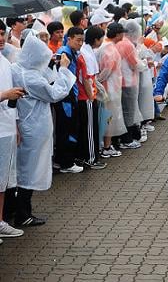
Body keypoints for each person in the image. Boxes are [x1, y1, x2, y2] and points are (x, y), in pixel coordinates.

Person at [9, 35, 76, 227]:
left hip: (25, 125)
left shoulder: (17, 68)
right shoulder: (30, 77)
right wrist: (63, 69)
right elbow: (55, 93)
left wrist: (53, 67)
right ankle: (23, 213)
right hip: (35, 128)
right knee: (30, 171)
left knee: (22, 169)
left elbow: (44, 77)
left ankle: (14, 210)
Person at [0, 19, 25, 242]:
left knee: (3, 180)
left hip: (6, 127)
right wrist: (5, 95)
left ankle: (0, 221)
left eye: (2, 33)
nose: (0, 38)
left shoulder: (5, 62)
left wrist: (16, 124)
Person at [55, 27, 85, 173]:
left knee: (66, 128)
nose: (80, 43)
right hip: (66, 97)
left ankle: (62, 160)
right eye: (78, 40)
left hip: (69, 94)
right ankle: (66, 163)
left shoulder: (71, 52)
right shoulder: (64, 53)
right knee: (68, 129)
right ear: (70, 39)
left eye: (82, 41)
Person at [77, 26, 107, 169]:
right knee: (89, 129)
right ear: (96, 39)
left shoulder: (88, 51)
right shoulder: (86, 54)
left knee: (90, 127)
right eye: (101, 38)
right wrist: (91, 96)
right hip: (86, 97)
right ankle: (91, 158)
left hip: (88, 96)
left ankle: (89, 156)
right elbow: (87, 79)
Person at [96, 23, 127, 158]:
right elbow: (107, 71)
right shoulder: (110, 50)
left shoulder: (105, 47)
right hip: (109, 89)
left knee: (105, 116)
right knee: (109, 117)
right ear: (118, 34)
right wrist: (98, 81)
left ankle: (104, 144)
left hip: (107, 88)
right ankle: (106, 146)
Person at [116, 20, 146, 149]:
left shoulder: (120, 42)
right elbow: (134, 64)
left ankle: (127, 136)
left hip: (120, 81)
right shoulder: (127, 44)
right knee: (129, 111)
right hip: (128, 82)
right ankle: (127, 139)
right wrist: (144, 64)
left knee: (124, 110)